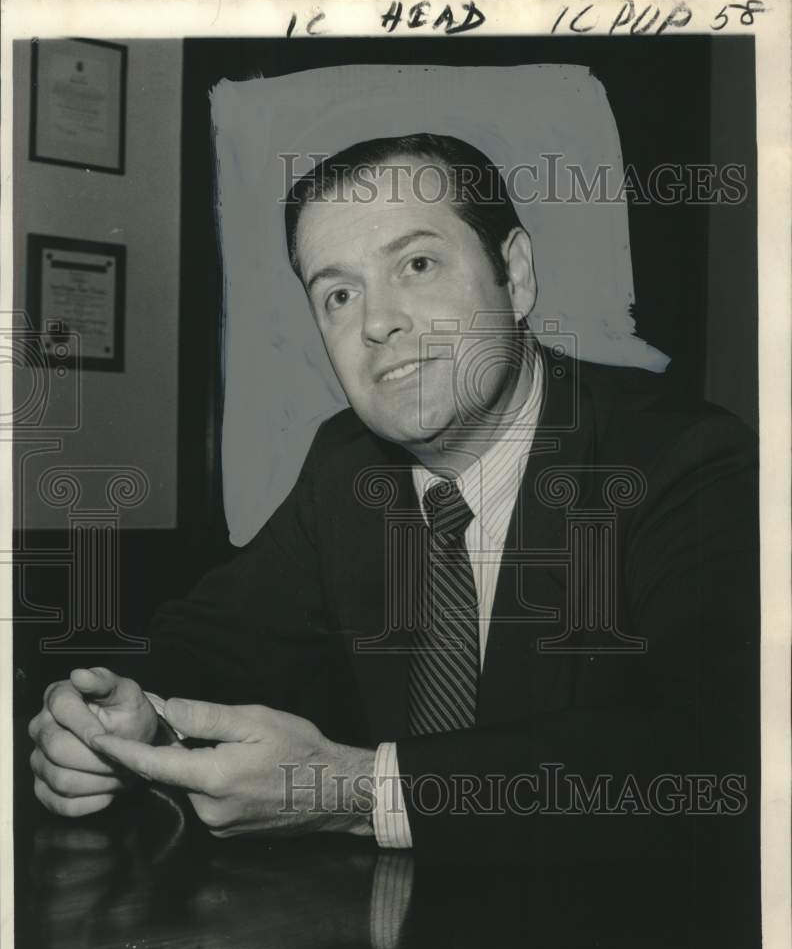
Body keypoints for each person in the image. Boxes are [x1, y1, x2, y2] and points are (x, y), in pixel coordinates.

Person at [28, 134, 759, 866]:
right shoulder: (345, 465)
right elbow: (209, 643)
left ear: (516, 274)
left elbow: (709, 747)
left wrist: (353, 792)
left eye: (417, 264)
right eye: (339, 294)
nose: (378, 322)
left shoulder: (683, 460)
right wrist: (118, 717)